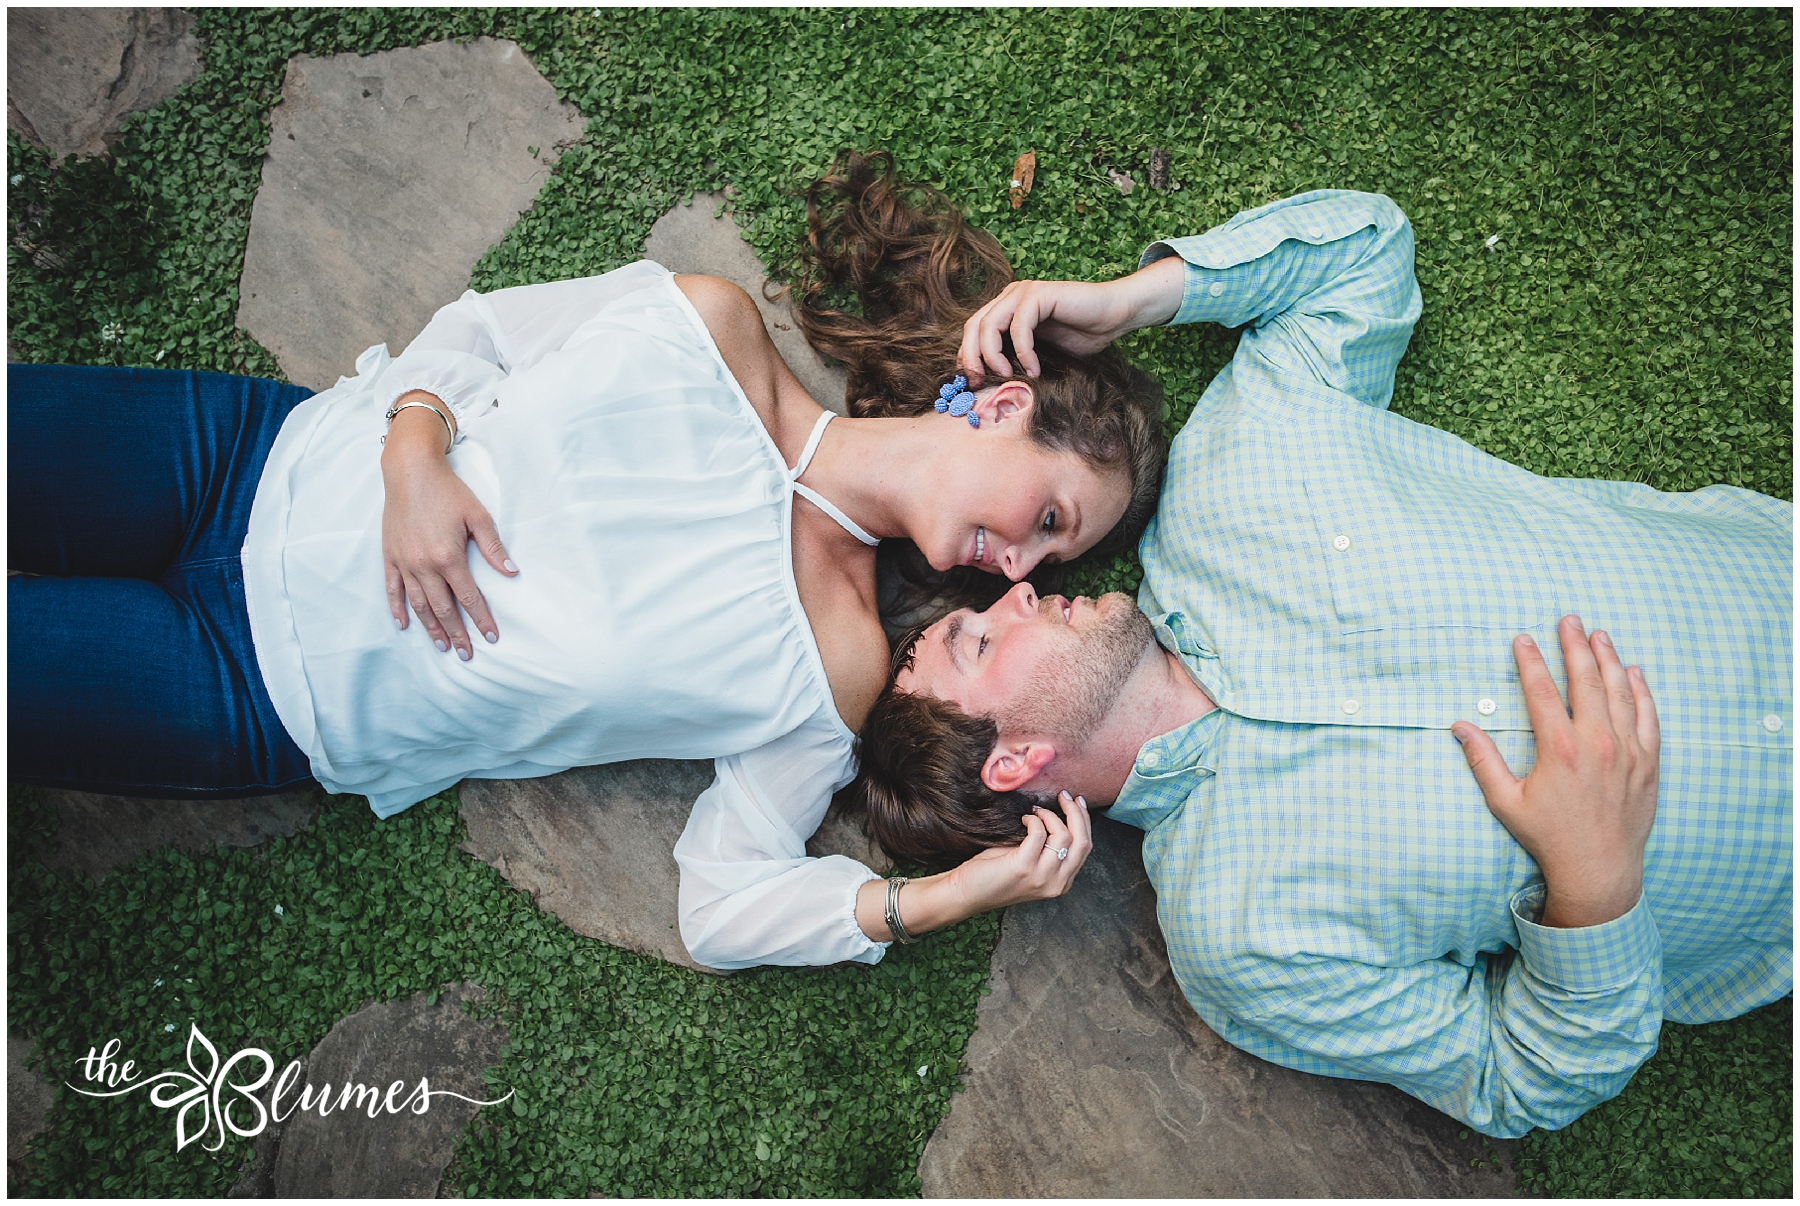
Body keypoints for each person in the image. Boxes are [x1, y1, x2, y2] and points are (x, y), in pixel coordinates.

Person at [6, 152, 1164, 969]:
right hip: (243, 456)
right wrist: (413, 456)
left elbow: (724, 906)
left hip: (252, 690)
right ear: (1003, 403)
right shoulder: (703, 321)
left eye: (1049, 562)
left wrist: (940, 898)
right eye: (1050, 519)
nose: (1020, 566)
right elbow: (479, 337)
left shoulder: (836, 666)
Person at [849, 189, 1792, 1136]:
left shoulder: (1232, 478)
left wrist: (1124, 302)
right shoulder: (1242, 936)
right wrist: (1594, 883)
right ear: (1012, 764)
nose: (1015, 590)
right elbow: (1518, 1078)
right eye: (978, 640)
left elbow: (1365, 252)